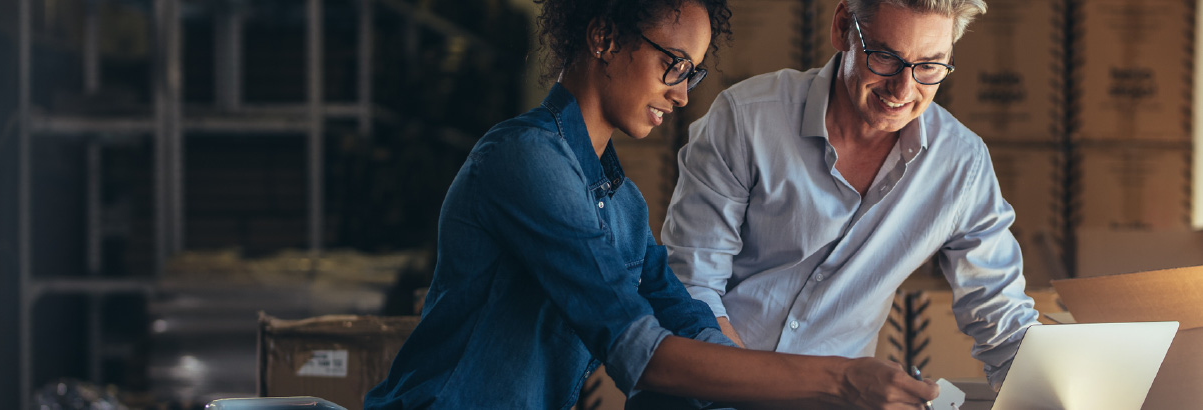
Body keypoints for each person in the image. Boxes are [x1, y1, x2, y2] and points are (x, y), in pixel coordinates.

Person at [364, 0, 940, 408]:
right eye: (673, 64)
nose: (683, 93)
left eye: (693, 72)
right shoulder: (524, 161)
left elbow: (686, 319)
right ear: (604, 38)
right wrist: (839, 383)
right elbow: (639, 351)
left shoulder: (622, 204)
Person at [663, 0, 1040, 393]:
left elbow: (1002, 318)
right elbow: (691, 291)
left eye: (929, 66)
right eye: (885, 58)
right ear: (843, 27)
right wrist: (764, 395)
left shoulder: (961, 165)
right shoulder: (745, 120)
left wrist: (1052, 389)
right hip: (706, 393)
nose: (904, 89)